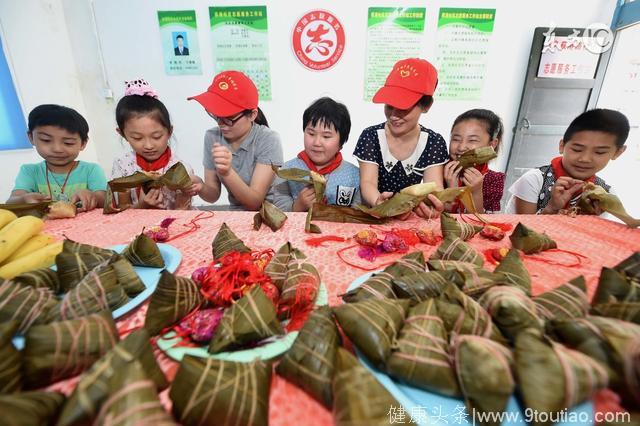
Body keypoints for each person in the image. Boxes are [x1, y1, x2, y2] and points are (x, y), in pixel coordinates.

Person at [353, 58, 449, 219]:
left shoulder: (433, 142)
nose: (394, 116)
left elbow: (434, 186)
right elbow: (368, 182)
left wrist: (434, 203)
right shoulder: (371, 136)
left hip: (411, 218)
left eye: (404, 107)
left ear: (426, 105)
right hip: (375, 216)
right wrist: (378, 202)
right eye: (389, 106)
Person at [505, 108, 629, 215]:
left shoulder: (606, 194)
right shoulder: (535, 180)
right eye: (577, 149)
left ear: (618, 152)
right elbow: (522, 231)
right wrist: (551, 208)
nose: (584, 159)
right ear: (562, 146)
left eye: (599, 152)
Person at [189, 70, 283, 211]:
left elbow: (255, 202)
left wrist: (227, 173)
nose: (221, 124)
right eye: (217, 116)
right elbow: (213, 195)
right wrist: (201, 186)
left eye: (229, 118)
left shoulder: (268, 139)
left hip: (270, 214)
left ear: (252, 115)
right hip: (236, 214)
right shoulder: (212, 136)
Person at [111, 79, 203, 210]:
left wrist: (185, 195)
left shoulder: (179, 168)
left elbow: (182, 211)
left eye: (156, 136)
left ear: (169, 132)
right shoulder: (122, 166)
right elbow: (122, 209)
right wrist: (142, 206)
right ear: (122, 134)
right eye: (137, 138)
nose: (148, 145)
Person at [7, 104, 106, 211]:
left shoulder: (91, 170)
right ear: (31, 137)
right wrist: (24, 199)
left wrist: (93, 196)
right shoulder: (30, 171)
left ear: (83, 143)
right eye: (46, 140)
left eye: (68, 143)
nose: (57, 149)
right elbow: (11, 202)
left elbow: (105, 199)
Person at [272, 97, 361, 211]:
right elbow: (279, 209)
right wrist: (298, 206)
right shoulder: (286, 171)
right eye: (311, 133)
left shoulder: (356, 176)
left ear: (341, 141)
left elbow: (358, 217)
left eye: (326, 136)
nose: (317, 142)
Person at [444, 109, 505, 213]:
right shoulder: (438, 169)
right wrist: (452, 190)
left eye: (472, 140)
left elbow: (483, 223)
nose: (462, 147)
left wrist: (476, 192)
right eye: (456, 139)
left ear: (492, 145)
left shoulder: (494, 180)